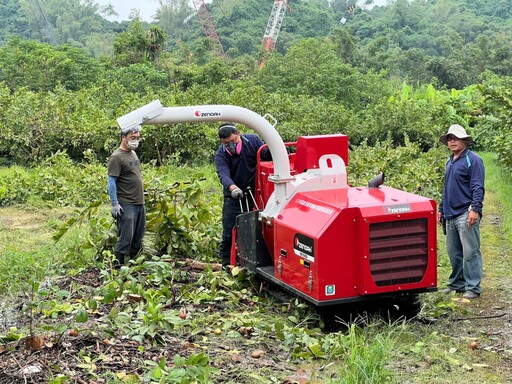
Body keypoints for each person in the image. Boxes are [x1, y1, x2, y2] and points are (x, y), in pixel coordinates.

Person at [437, 124, 485, 300]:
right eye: (450, 138)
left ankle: (473, 286)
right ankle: (457, 283)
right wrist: (441, 209)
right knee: (453, 251)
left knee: (470, 251)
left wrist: (476, 209)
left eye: (455, 138)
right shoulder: (450, 161)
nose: (452, 141)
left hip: (466, 211)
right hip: (450, 213)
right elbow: (447, 188)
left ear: (464, 140)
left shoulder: (473, 160)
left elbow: (478, 187)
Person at [214, 123, 270, 267]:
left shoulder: (253, 142)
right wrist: (233, 188)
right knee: (229, 230)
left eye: (233, 141)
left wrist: (272, 145)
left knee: (257, 227)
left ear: (239, 133)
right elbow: (223, 174)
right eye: (227, 143)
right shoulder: (221, 154)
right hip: (233, 195)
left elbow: (266, 155)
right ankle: (226, 263)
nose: (231, 145)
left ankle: (254, 258)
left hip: (255, 192)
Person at [107, 125, 146, 267]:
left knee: (138, 236)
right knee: (126, 238)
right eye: (132, 138)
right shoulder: (116, 157)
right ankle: (117, 267)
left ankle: (134, 265)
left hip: (139, 202)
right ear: (124, 137)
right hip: (126, 203)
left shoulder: (133, 153)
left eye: (137, 138)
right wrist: (114, 203)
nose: (135, 141)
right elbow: (111, 182)